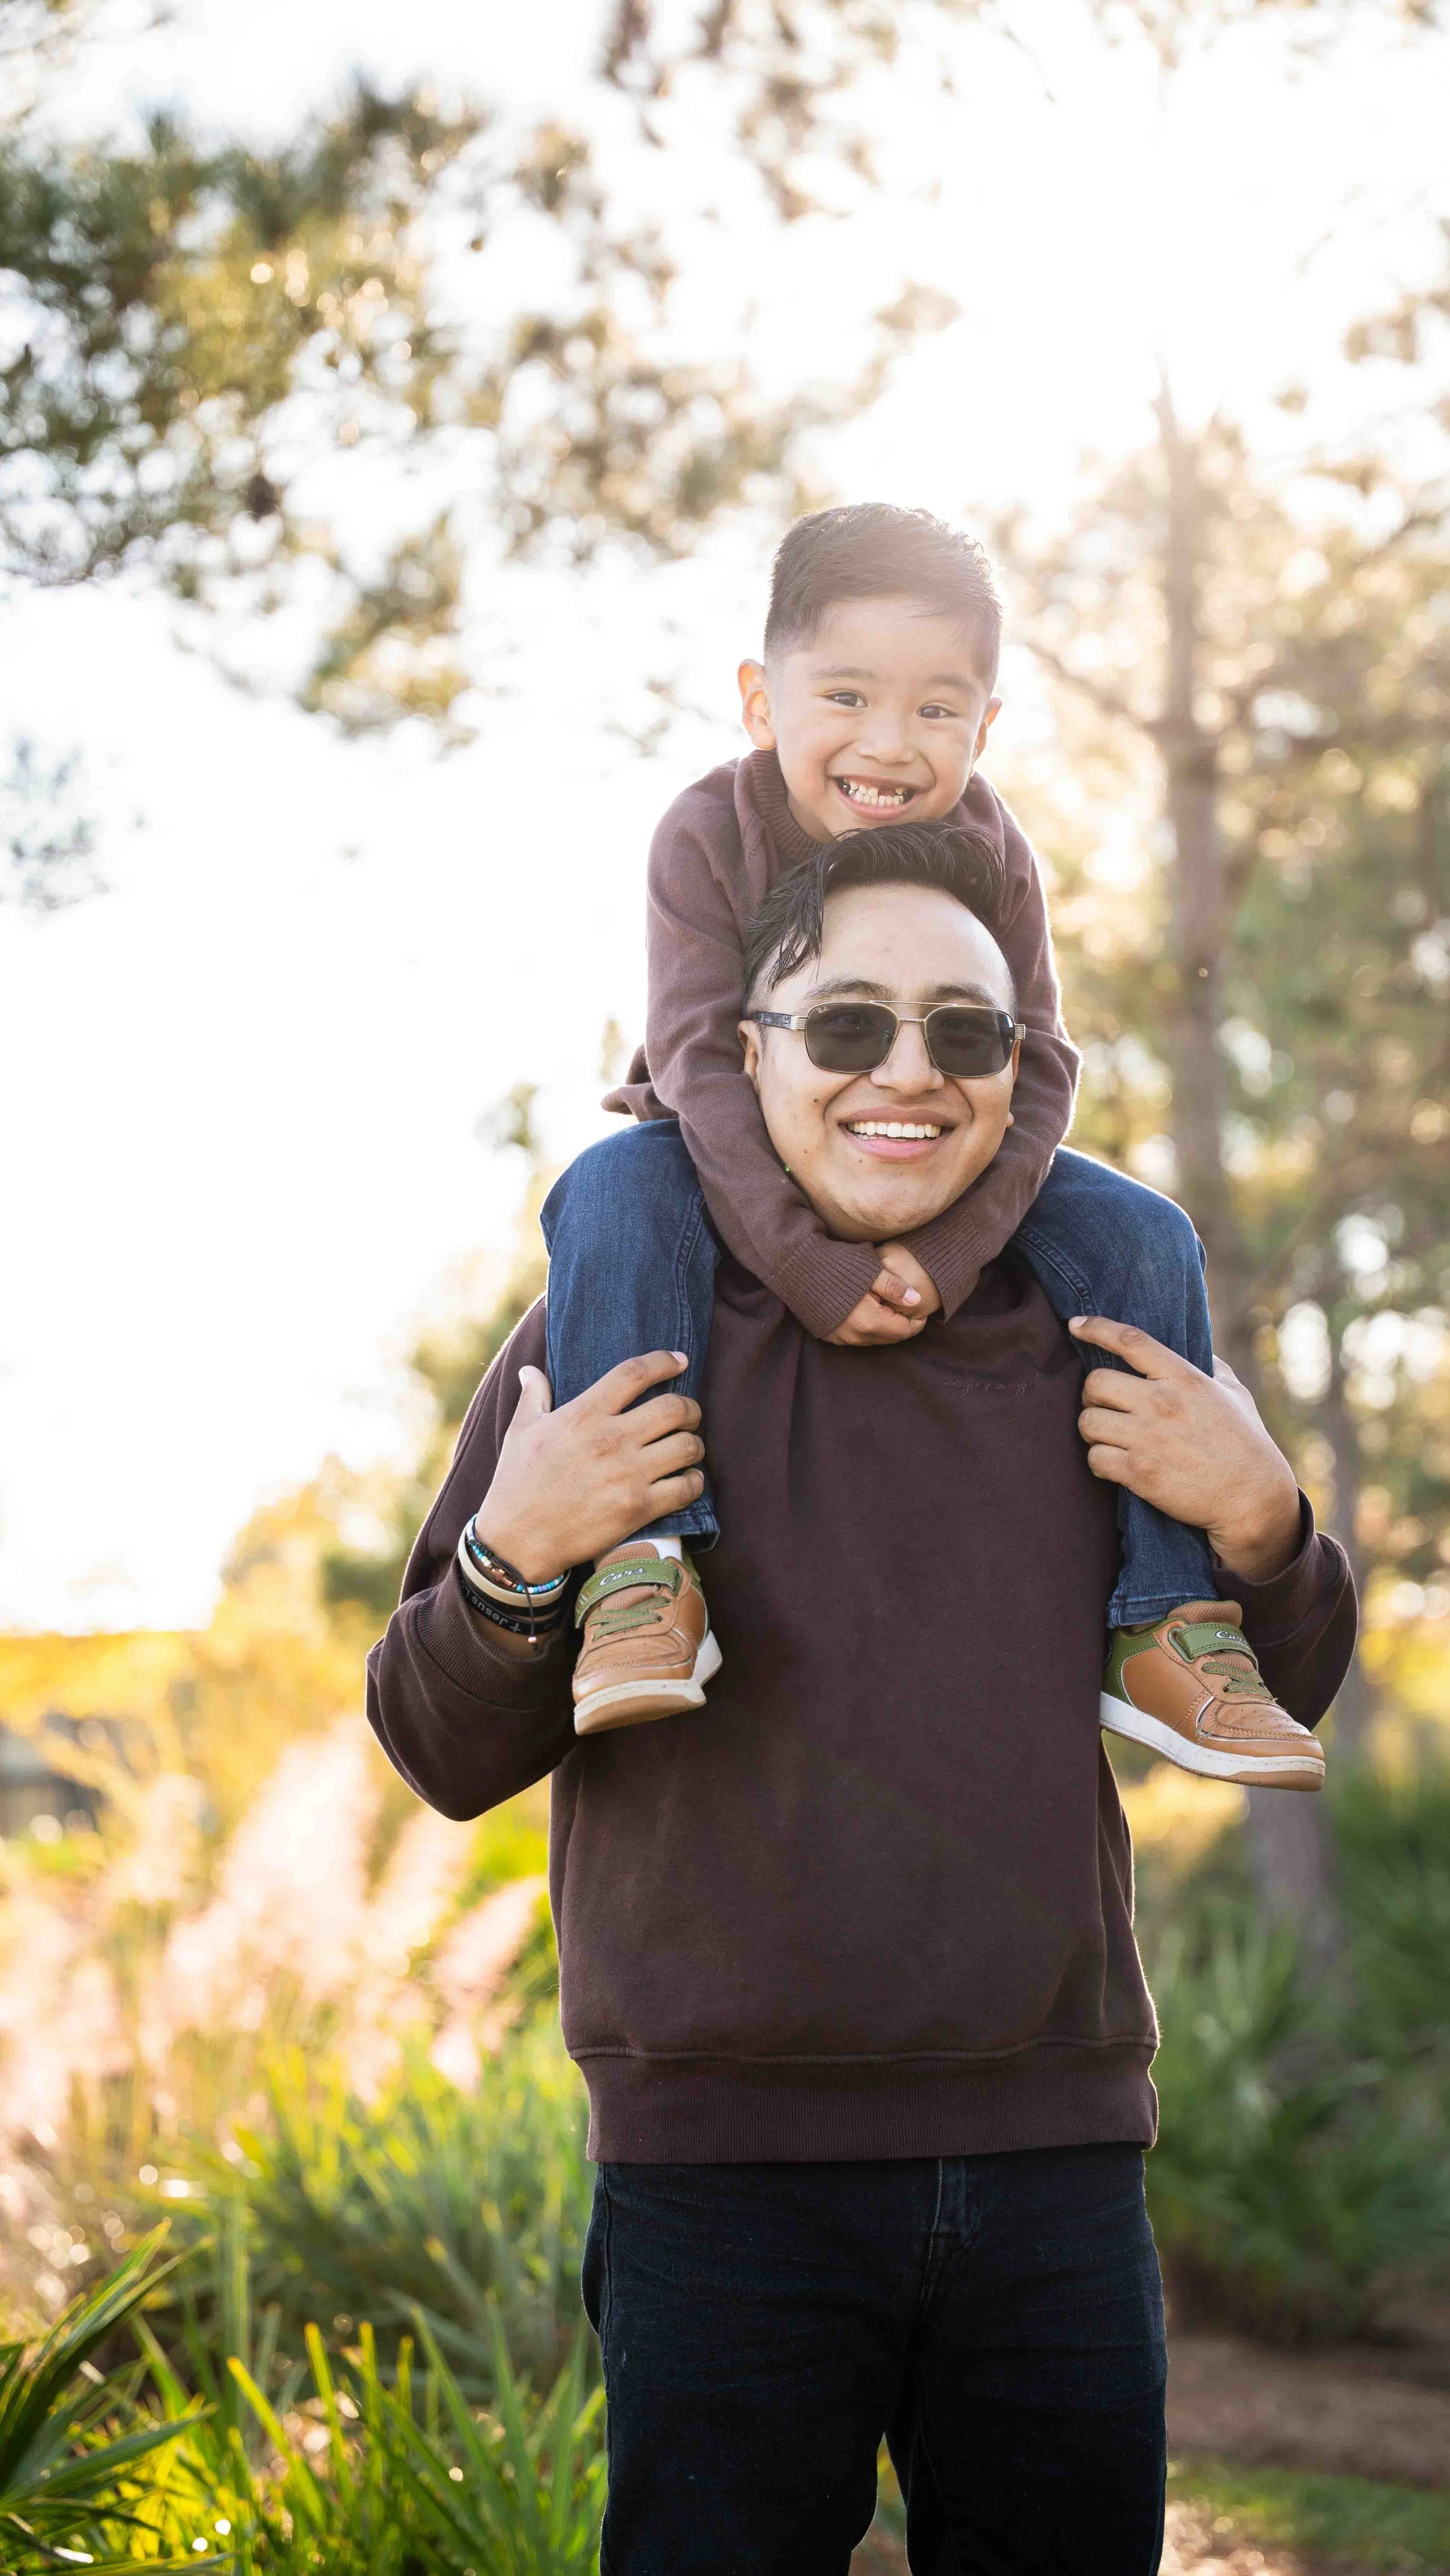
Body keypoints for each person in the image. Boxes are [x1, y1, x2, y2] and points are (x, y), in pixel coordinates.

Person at [368, 833, 1356, 2575]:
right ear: (739, 1054)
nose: (908, 1073)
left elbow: (1267, 1692)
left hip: (1054, 2161)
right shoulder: (616, 1324)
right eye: (844, 1026)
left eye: (965, 1033)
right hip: (718, 2179)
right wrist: (522, 1554)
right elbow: (438, 1749)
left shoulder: (1099, 1321)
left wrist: (1267, 1523)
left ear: (1017, 1072)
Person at [541, 502, 1324, 1790]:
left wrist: (949, 1253)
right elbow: (696, 1062)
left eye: (936, 709)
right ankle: (640, 1567)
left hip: (951, 1171)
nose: (889, 744)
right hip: (715, 1147)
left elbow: (1041, 1062)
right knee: (614, 1187)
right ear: (761, 700)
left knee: (1142, 1232)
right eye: (846, 696)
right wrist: (807, 1261)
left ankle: (1167, 1617)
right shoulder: (704, 832)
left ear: (985, 726)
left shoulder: (993, 849)